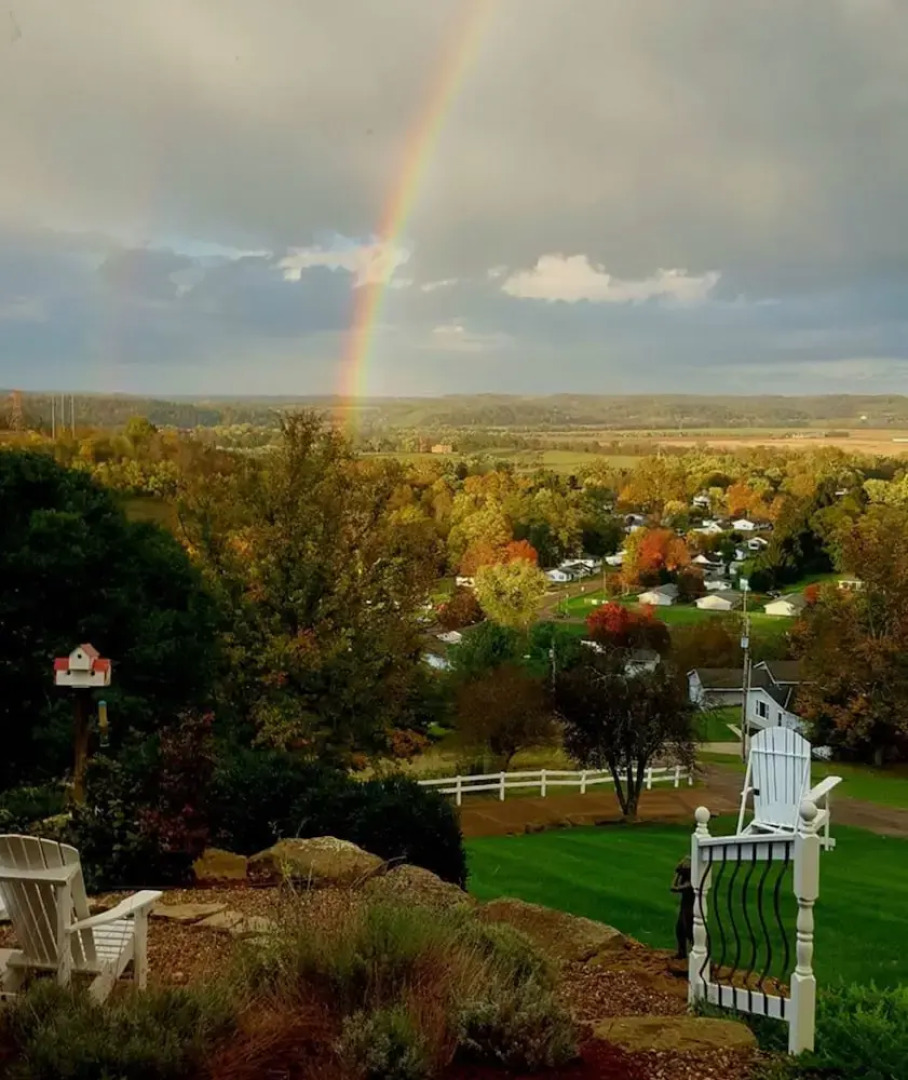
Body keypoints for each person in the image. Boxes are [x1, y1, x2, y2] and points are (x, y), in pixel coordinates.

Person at [670, 855, 694, 960]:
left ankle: (703, 958)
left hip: (690, 910)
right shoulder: (687, 881)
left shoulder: (690, 884)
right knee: (680, 930)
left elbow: (673, 887)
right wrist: (679, 871)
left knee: (690, 933)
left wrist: (677, 873)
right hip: (685, 909)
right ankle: (682, 953)